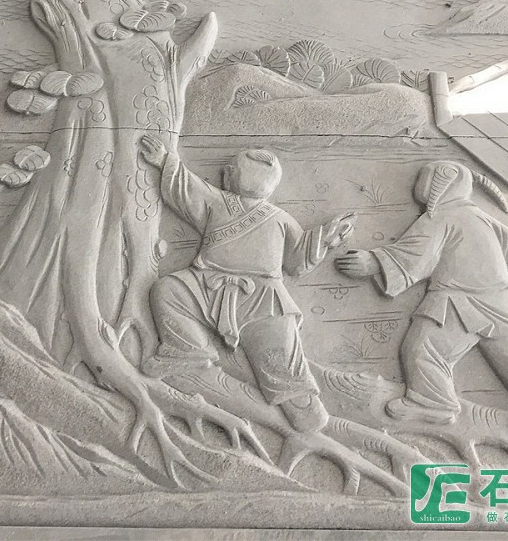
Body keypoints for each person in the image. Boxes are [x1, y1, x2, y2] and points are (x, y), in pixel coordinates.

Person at [336, 160, 508, 442]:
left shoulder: (442, 215)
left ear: (440, 181)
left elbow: (418, 256)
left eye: (424, 178)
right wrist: (499, 276)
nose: (419, 184)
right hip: (499, 298)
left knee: (423, 348)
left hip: (457, 300)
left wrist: (374, 262)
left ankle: (432, 402)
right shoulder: (478, 215)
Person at [140, 135, 355, 432]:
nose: (225, 173)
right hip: (206, 285)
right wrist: (165, 162)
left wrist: (325, 239)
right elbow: (186, 188)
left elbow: (296, 260)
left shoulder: (277, 218)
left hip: (263, 299)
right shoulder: (220, 202)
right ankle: (188, 352)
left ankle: (302, 405)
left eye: (230, 169)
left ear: (233, 176)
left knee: (281, 359)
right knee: (168, 291)